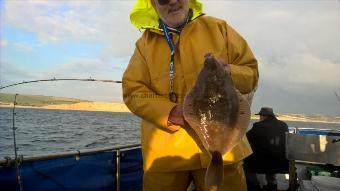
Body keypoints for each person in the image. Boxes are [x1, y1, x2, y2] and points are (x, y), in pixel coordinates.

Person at [123, 0, 259, 190]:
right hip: (166, 153)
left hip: (224, 152)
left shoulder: (219, 28)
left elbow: (251, 73)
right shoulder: (144, 45)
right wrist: (169, 113)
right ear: (153, 5)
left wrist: (229, 72)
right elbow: (133, 91)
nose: (172, 2)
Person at [244, 107, 289, 191]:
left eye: (260, 116)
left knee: (245, 164)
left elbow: (246, 139)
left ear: (264, 116)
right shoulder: (284, 125)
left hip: (263, 162)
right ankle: (272, 186)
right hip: (282, 162)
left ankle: (256, 187)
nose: (259, 118)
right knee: (271, 169)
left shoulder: (258, 126)